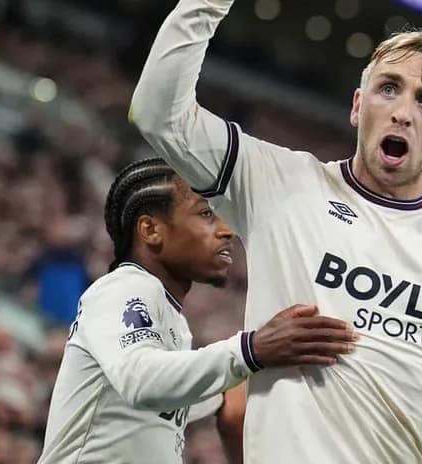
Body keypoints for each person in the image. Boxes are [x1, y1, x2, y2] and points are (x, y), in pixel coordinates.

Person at [129, 1, 422, 463]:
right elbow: (160, 115)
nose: (403, 111)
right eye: (388, 89)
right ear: (359, 106)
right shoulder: (278, 182)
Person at [39, 158, 358, 464]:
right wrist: (251, 350)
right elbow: (141, 380)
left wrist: (232, 391)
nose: (227, 230)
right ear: (151, 230)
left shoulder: (172, 321)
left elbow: (175, 395)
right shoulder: (124, 287)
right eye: (207, 214)